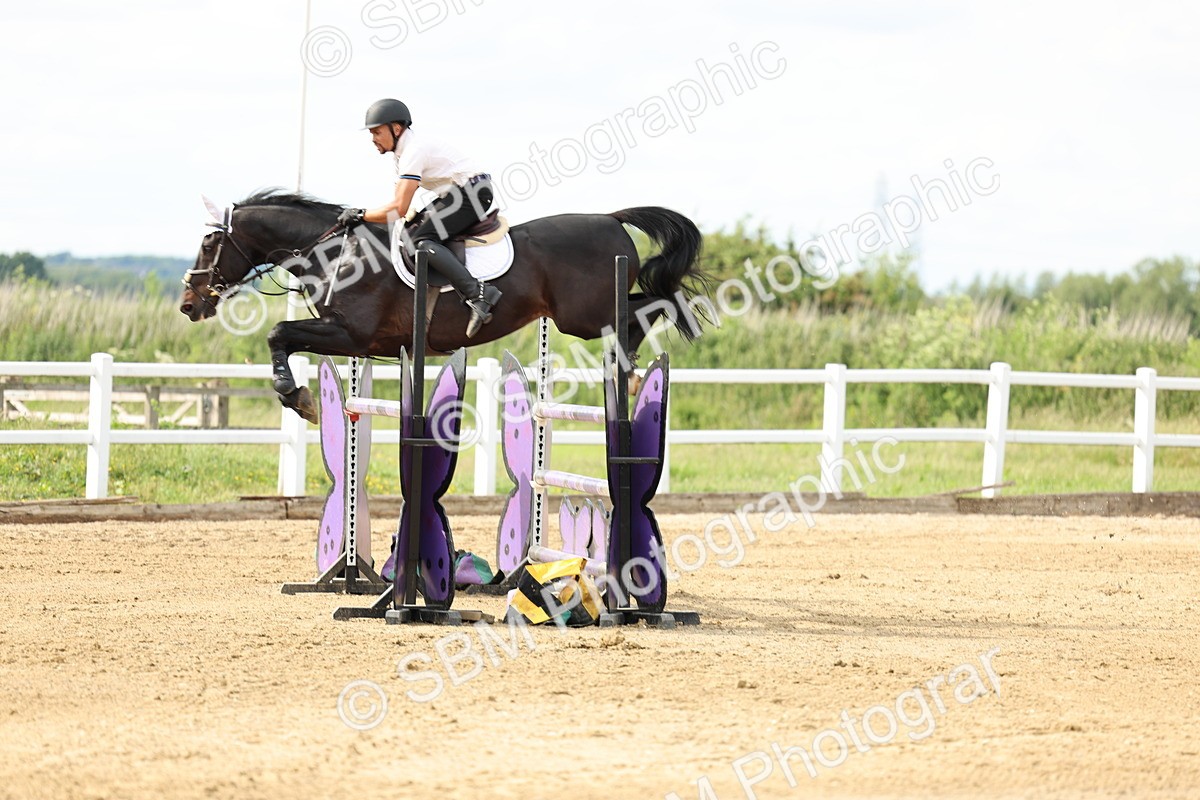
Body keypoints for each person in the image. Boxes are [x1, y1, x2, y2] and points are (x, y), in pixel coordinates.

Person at [337, 98, 502, 338]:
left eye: (377, 132)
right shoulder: (401, 155)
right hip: (458, 193)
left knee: (421, 242)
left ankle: (478, 293)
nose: (373, 139)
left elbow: (398, 209)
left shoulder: (414, 151)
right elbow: (398, 208)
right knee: (413, 232)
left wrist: (361, 215)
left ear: (396, 129)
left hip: (471, 194)